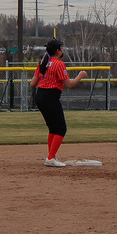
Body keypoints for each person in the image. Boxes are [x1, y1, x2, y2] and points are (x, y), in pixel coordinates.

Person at [29, 39, 87, 167]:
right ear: (57, 50)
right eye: (61, 48)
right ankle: (50, 158)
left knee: (53, 128)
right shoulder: (58, 64)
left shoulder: (43, 62)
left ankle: (51, 156)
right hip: (51, 97)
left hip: (40, 96)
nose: (63, 50)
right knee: (61, 129)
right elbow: (69, 84)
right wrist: (80, 76)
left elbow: (32, 83)